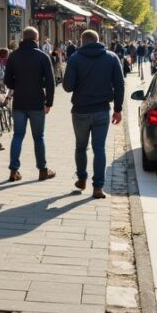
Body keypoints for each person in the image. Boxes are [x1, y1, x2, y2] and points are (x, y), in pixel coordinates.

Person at [63, 29, 124, 200]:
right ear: (99, 40)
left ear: (81, 41)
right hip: (102, 110)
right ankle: (98, 187)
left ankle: (82, 178)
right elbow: (120, 85)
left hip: (80, 110)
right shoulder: (111, 57)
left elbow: (67, 86)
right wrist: (118, 109)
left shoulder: (75, 58)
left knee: (81, 147)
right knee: (99, 149)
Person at [3, 27, 56, 182]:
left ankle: (13, 170)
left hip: (19, 101)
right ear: (36, 39)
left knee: (18, 135)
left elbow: (7, 80)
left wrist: (17, 85)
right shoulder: (42, 56)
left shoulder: (14, 56)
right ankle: (42, 170)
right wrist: (49, 102)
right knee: (38, 137)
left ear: (23, 38)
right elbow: (51, 83)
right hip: (37, 102)